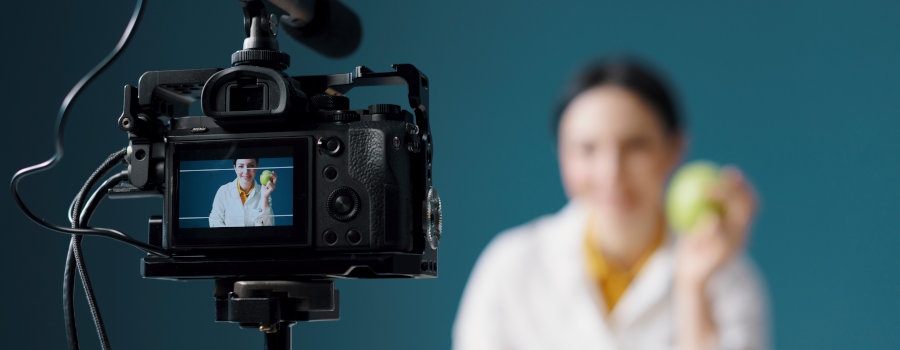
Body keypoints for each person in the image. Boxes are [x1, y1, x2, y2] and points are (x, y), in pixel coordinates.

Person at [453, 59, 769, 350]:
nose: (611, 173)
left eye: (635, 146)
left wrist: (693, 287)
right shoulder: (510, 266)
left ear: (674, 149)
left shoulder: (729, 280)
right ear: (561, 155)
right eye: (587, 148)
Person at [209, 158, 278, 227]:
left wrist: (265, 198)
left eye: (251, 166)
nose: (246, 172)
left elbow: (268, 227)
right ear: (235, 168)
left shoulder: (264, 193)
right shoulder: (223, 191)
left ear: (256, 167)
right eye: (241, 166)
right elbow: (215, 222)